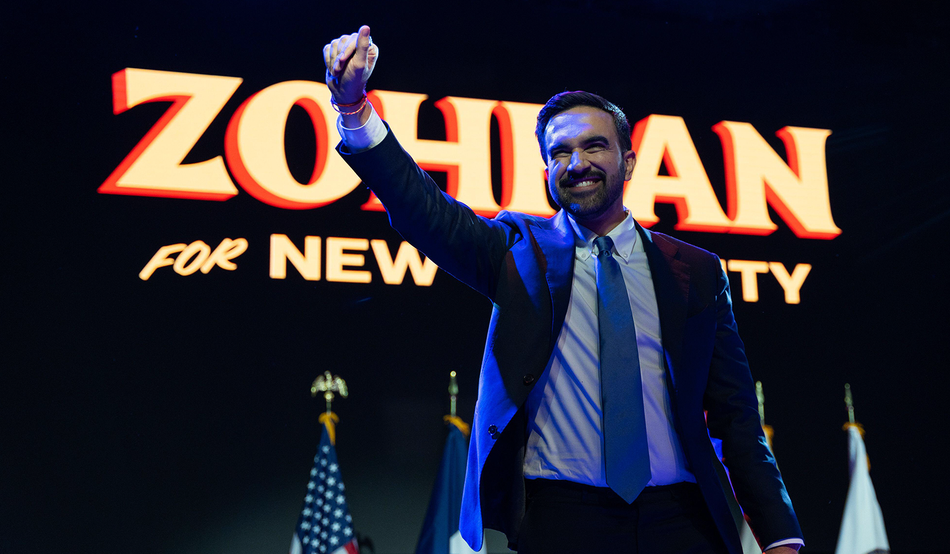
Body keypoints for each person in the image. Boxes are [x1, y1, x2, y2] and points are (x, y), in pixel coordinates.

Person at [322, 26, 803, 554]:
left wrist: (780, 538)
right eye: (560, 152)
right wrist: (354, 109)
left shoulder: (696, 270)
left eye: (595, 145)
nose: (577, 164)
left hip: (681, 521)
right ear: (548, 168)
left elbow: (736, 417)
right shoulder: (515, 248)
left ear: (629, 160)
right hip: (560, 521)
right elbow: (422, 209)